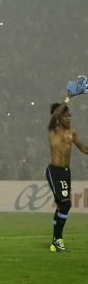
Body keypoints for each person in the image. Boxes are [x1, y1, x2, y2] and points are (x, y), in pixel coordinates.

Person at [45, 93, 88, 252]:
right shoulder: (53, 130)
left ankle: (55, 241)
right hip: (54, 171)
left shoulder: (72, 132)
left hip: (66, 172)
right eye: (66, 115)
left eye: (70, 115)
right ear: (59, 117)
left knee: (61, 206)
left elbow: (83, 148)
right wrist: (69, 97)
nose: (69, 118)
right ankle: (58, 239)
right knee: (66, 204)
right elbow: (55, 114)